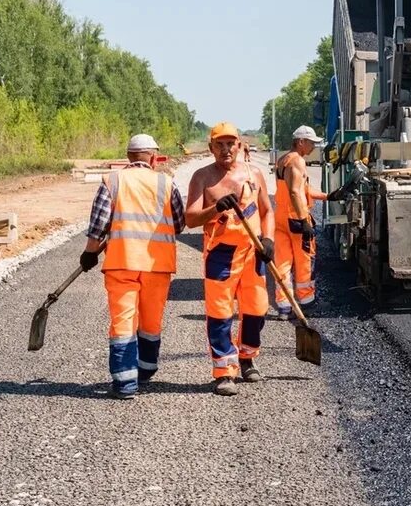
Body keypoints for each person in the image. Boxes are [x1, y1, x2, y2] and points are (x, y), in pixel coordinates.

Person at [79, 133, 184, 400]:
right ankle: (145, 369)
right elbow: (180, 224)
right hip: (158, 265)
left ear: (128, 157)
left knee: (123, 320)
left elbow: (98, 226)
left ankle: (126, 383)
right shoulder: (166, 182)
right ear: (153, 157)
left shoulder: (112, 181)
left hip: (121, 262)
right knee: (151, 320)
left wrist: (89, 254)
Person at [185, 121, 275, 396]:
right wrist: (215, 208)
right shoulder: (202, 177)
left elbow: (267, 211)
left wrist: (269, 240)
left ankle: (247, 358)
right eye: (219, 145)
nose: (226, 149)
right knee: (221, 314)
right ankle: (224, 371)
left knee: (257, 309)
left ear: (240, 146)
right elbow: (190, 219)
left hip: (252, 252)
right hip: (221, 255)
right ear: (211, 148)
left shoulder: (254, 173)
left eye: (230, 144)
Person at [273, 125, 327, 320]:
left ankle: (284, 307)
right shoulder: (297, 162)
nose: (313, 147)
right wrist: (304, 220)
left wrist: (327, 196)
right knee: (305, 261)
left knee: (283, 263)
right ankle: (306, 303)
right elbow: (296, 192)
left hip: (280, 217)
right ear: (301, 142)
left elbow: (298, 190)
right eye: (311, 143)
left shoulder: (283, 160)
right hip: (296, 220)